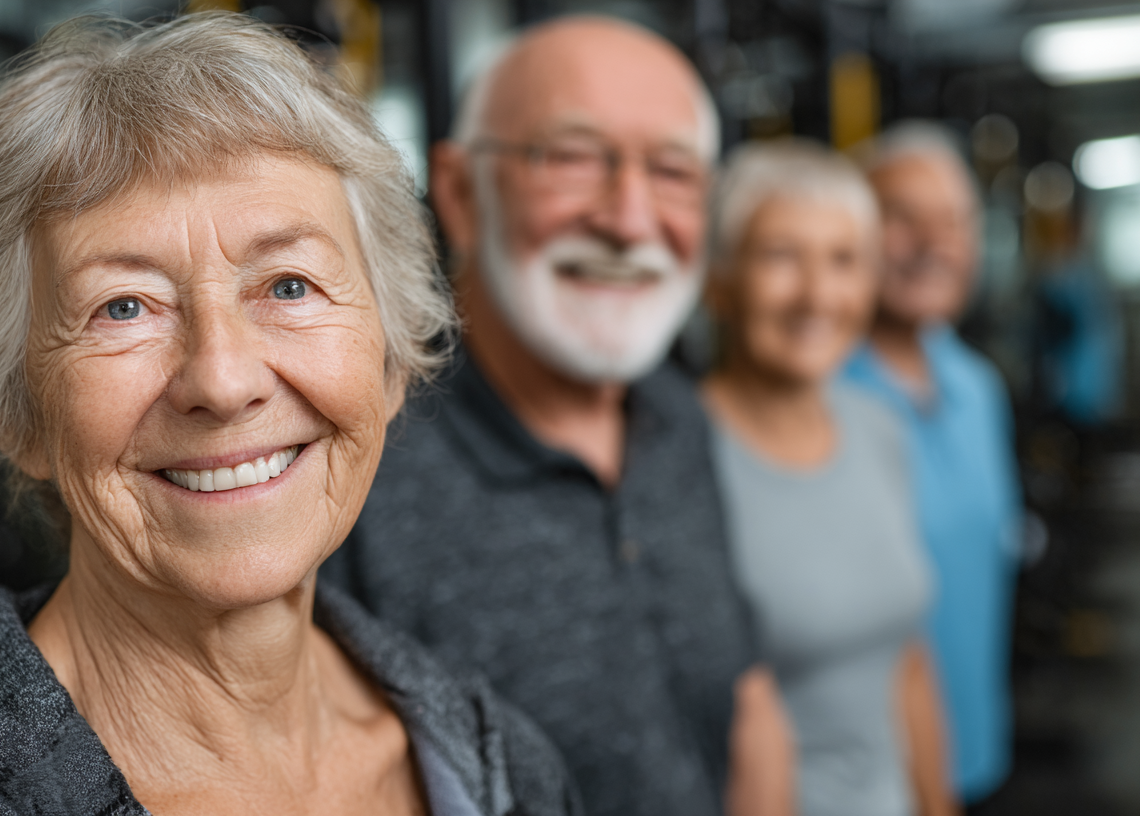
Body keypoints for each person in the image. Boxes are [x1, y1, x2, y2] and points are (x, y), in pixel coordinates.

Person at [0, 14, 582, 816]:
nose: (222, 378)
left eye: (289, 286)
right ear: (18, 414)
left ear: (390, 365)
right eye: (124, 307)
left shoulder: (506, 768)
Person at [320, 17, 782, 816]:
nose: (630, 219)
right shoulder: (360, 464)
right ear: (460, 193)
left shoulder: (678, 415)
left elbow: (744, 700)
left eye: (673, 172)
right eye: (571, 158)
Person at [702, 139, 957, 816]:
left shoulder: (878, 427)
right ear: (718, 281)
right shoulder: (679, 457)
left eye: (844, 260)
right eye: (781, 256)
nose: (817, 295)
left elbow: (906, 659)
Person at [844, 122, 1024, 804]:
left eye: (953, 222)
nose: (931, 243)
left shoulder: (979, 389)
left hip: (976, 758)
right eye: (903, 218)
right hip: (864, 785)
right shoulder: (816, 399)